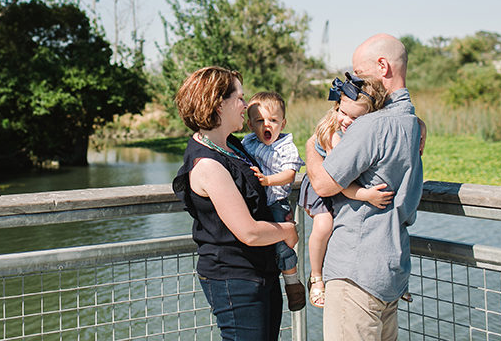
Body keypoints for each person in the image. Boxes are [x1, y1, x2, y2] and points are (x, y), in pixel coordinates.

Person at [306, 34, 424, 341]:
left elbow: (323, 183)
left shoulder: (372, 125)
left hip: (355, 271)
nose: (355, 83)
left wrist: (309, 146)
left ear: (382, 66)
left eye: (358, 74)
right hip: (390, 270)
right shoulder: (411, 122)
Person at [172, 67, 298, 341]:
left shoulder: (232, 145)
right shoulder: (207, 164)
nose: (245, 105)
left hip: (260, 272)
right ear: (219, 103)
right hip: (234, 279)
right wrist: (287, 231)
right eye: (239, 98)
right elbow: (249, 232)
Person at [300, 73, 406, 308]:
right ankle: (316, 276)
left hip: (341, 187)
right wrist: (365, 195)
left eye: (355, 118)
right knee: (324, 225)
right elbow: (339, 182)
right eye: (343, 112)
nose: (345, 120)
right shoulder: (333, 134)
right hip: (326, 187)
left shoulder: (365, 131)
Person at [240, 91, 308, 311]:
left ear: (283, 123)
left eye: (273, 120)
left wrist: (268, 180)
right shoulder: (248, 142)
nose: (266, 125)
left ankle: (292, 283)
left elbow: (289, 175)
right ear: (250, 124)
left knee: (282, 245)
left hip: (277, 201)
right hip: (257, 204)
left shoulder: (286, 146)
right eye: (259, 121)